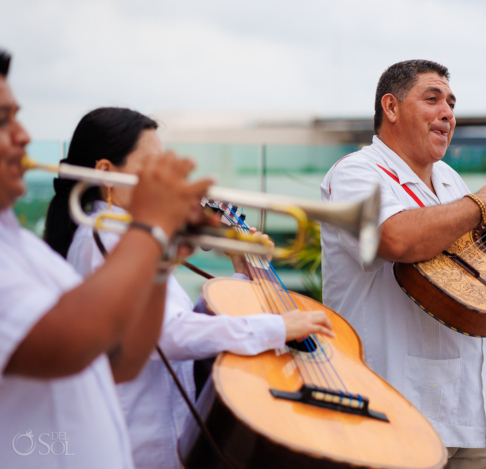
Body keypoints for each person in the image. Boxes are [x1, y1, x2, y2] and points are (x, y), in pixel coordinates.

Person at [320, 60, 486, 469]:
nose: (448, 113)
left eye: (452, 104)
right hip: (393, 410)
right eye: (432, 99)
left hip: (471, 414)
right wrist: (477, 206)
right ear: (390, 107)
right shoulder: (356, 172)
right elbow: (395, 238)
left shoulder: (451, 182)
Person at [43, 106, 335, 469]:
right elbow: (168, 336)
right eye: (153, 168)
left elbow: (174, 324)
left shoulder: (119, 235)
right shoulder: (106, 236)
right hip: (137, 440)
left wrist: (241, 269)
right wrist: (277, 327)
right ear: (105, 172)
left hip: (154, 436)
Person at [0, 49, 212, 468]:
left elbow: (121, 359)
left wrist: (162, 262)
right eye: (3, 120)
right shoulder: (100, 234)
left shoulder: (24, 249)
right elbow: (73, 343)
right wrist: (151, 230)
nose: (24, 135)